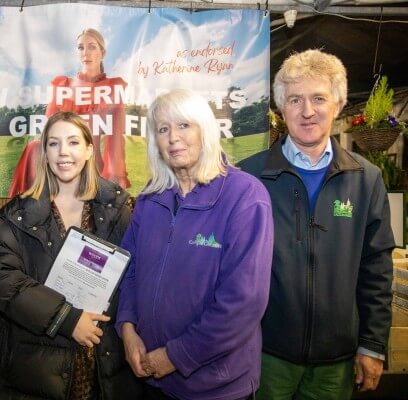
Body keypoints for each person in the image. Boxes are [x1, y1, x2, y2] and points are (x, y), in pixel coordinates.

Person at [238, 49, 395, 399]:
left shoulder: (365, 178)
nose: (307, 111)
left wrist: (372, 345)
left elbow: (377, 269)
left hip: (336, 363)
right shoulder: (249, 177)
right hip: (265, 354)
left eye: (318, 98)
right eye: (295, 99)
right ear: (281, 108)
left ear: (338, 105)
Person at [0, 111, 142, 400]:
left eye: (73, 142)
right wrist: (67, 319)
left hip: (104, 364)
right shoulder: (16, 216)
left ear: (88, 149)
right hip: (36, 368)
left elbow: (134, 278)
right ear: (44, 152)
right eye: (54, 143)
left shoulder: (118, 208)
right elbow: (5, 282)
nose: (64, 152)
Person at [116, 89, 274, 400]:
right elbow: (130, 269)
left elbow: (243, 302)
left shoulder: (245, 197)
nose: (173, 137)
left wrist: (176, 356)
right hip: (151, 378)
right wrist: (127, 327)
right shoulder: (150, 198)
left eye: (184, 125)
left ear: (206, 130)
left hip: (215, 387)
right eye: (163, 129)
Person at [9, 28, 130, 197]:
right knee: (34, 147)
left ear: (102, 52)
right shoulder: (63, 85)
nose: (85, 52)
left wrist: (114, 176)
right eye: (81, 47)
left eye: (92, 47)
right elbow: (48, 131)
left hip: (91, 161)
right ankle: (31, 207)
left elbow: (115, 139)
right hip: (59, 157)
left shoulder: (113, 88)